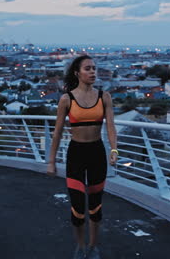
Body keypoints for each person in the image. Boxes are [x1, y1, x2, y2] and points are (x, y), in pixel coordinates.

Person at [47, 55, 118, 259]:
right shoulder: (66, 99)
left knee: (96, 207)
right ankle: (80, 246)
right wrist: (51, 162)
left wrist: (114, 150)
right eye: (88, 68)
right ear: (77, 73)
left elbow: (111, 127)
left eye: (94, 68)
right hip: (76, 154)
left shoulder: (104, 97)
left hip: (97, 153)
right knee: (77, 208)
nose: (93, 72)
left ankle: (93, 246)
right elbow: (58, 132)